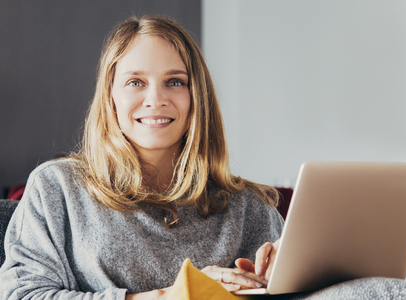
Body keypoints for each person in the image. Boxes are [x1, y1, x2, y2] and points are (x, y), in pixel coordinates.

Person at [0, 15, 283, 300]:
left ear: (198, 96)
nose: (155, 99)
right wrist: (171, 295)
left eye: (175, 82)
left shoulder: (251, 208)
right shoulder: (57, 188)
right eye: (135, 82)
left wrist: (295, 279)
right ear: (110, 98)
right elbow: (21, 296)